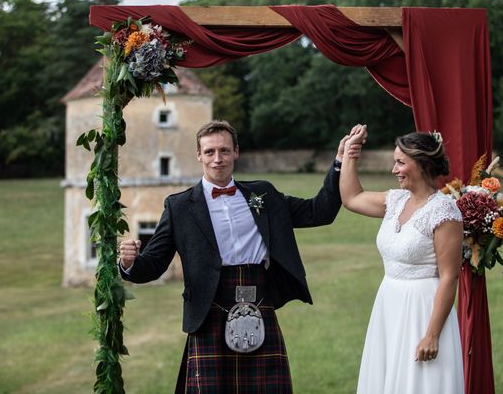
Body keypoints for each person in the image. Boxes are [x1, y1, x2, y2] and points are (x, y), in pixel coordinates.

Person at [119, 119, 351, 393]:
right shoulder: (180, 207)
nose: (218, 159)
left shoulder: (261, 195)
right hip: (209, 312)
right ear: (199, 155)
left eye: (224, 151)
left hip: (259, 304)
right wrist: (129, 262)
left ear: (236, 152)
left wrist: (339, 163)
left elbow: (318, 211)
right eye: (210, 152)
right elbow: (153, 266)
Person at [341, 125, 464, 394]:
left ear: (421, 164)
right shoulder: (394, 201)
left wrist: (432, 334)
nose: (393, 169)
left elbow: (449, 276)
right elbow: (351, 198)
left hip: (423, 309)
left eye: (400, 162)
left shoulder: (444, 211)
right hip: (389, 302)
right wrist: (351, 152)